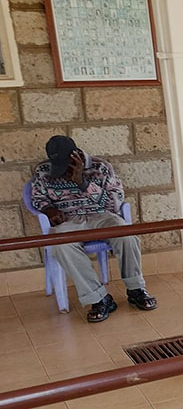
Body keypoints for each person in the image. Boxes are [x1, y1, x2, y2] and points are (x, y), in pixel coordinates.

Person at [29, 136, 157, 322]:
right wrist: (48, 209)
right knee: (60, 245)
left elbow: (115, 202)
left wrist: (83, 183)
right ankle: (99, 298)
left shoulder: (100, 167)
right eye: (59, 167)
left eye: (66, 166)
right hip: (69, 220)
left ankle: (136, 289)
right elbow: (37, 198)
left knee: (126, 234)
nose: (62, 172)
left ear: (76, 156)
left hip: (102, 215)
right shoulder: (43, 171)